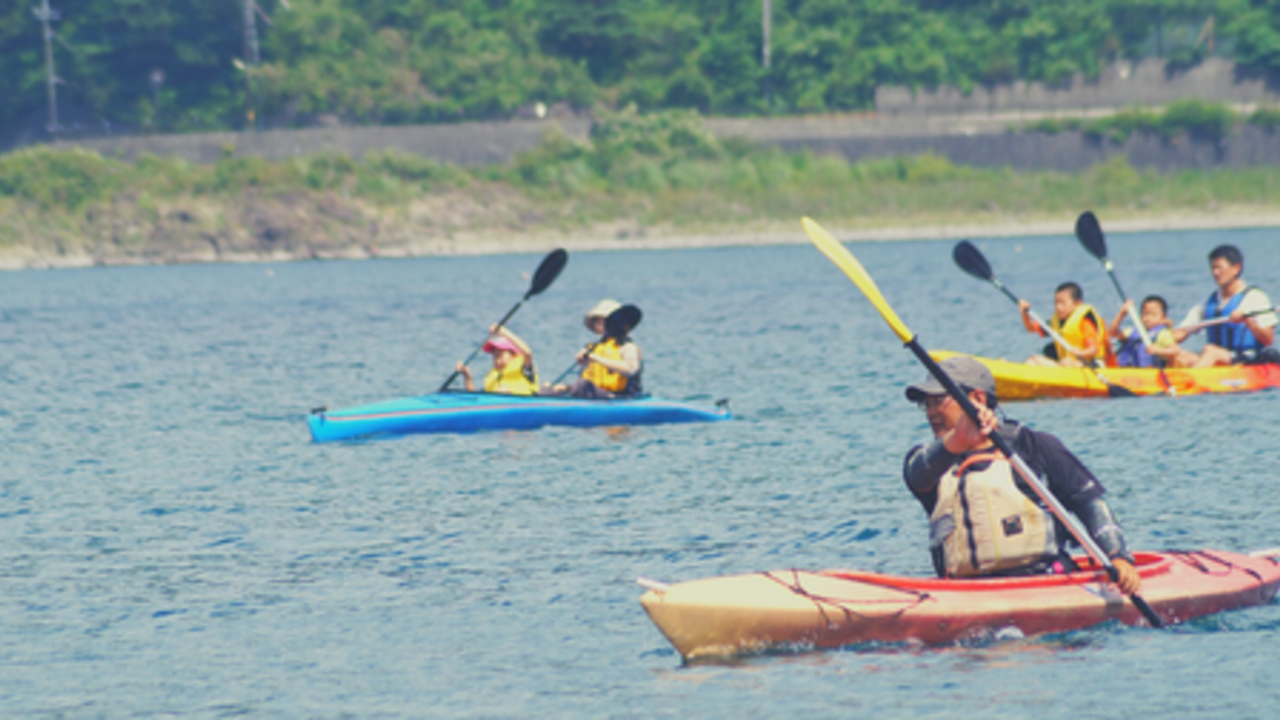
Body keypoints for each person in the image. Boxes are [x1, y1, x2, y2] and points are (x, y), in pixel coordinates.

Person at [902, 356, 1140, 593]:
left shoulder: (1034, 447)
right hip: (965, 592)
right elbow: (917, 475)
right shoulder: (926, 462)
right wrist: (958, 440)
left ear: (978, 399)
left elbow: (1090, 505)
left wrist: (1117, 556)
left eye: (939, 401)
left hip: (1044, 583)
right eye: (927, 404)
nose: (930, 413)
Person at [1170, 245, 1277, 367]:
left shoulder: (1255, 298)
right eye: (1213, 268)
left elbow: (1268, 339)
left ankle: (1191, 381)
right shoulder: (1208, 302)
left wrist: (1248, 321)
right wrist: (1163, 336)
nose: (1215, 273)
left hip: (1248, 359)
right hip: (1219, 359)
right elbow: (1182, 331)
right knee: (1180, 355)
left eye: (1219, 268)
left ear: (1236, 268)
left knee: (1210, 351)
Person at [549, 301, 644, 398]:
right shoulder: (593, 347)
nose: (600, 326)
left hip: (620, 396)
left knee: (583, 385)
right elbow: (590, 379)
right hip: (593, 393)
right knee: (547, 390)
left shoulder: (627, 347)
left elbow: (630, 369)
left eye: (604, 322)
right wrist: (566, 387)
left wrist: (596, 358)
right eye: (598, 322)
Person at [1018, 282, 1116, 368]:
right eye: (1056, 303)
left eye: (1063, 303)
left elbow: (1094, 349)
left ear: (1077, 304)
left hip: (1091, 367)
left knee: (1063, 362)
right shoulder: (1056, 322)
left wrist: (1080, 353)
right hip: (1068, 365)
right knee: (1033, 359)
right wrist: (1024, 313)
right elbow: (1031, 328)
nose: (1058, 307)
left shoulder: (1085, 322)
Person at [455, 325, 538, 395]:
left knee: (502, 390)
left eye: (500, 356)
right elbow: (475, 398)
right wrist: (467, 376)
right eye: (494, 356)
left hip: (524, 404)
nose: (497, 361)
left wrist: (502, 331)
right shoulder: (493, 376)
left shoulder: (524, 367)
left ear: (513, 355)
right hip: (497, 406)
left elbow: (527, 352)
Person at [1108, 295, 1178, 368]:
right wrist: (1121, 314)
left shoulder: (1163, 333)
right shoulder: (1134, 331)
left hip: (1151, 373)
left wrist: (1157, 350)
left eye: (1153, 315)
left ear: (1163, 318)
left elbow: (1175, 351)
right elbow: (1112, 333)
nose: (1148, 318)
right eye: (1145, 314)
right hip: (1128, 372)